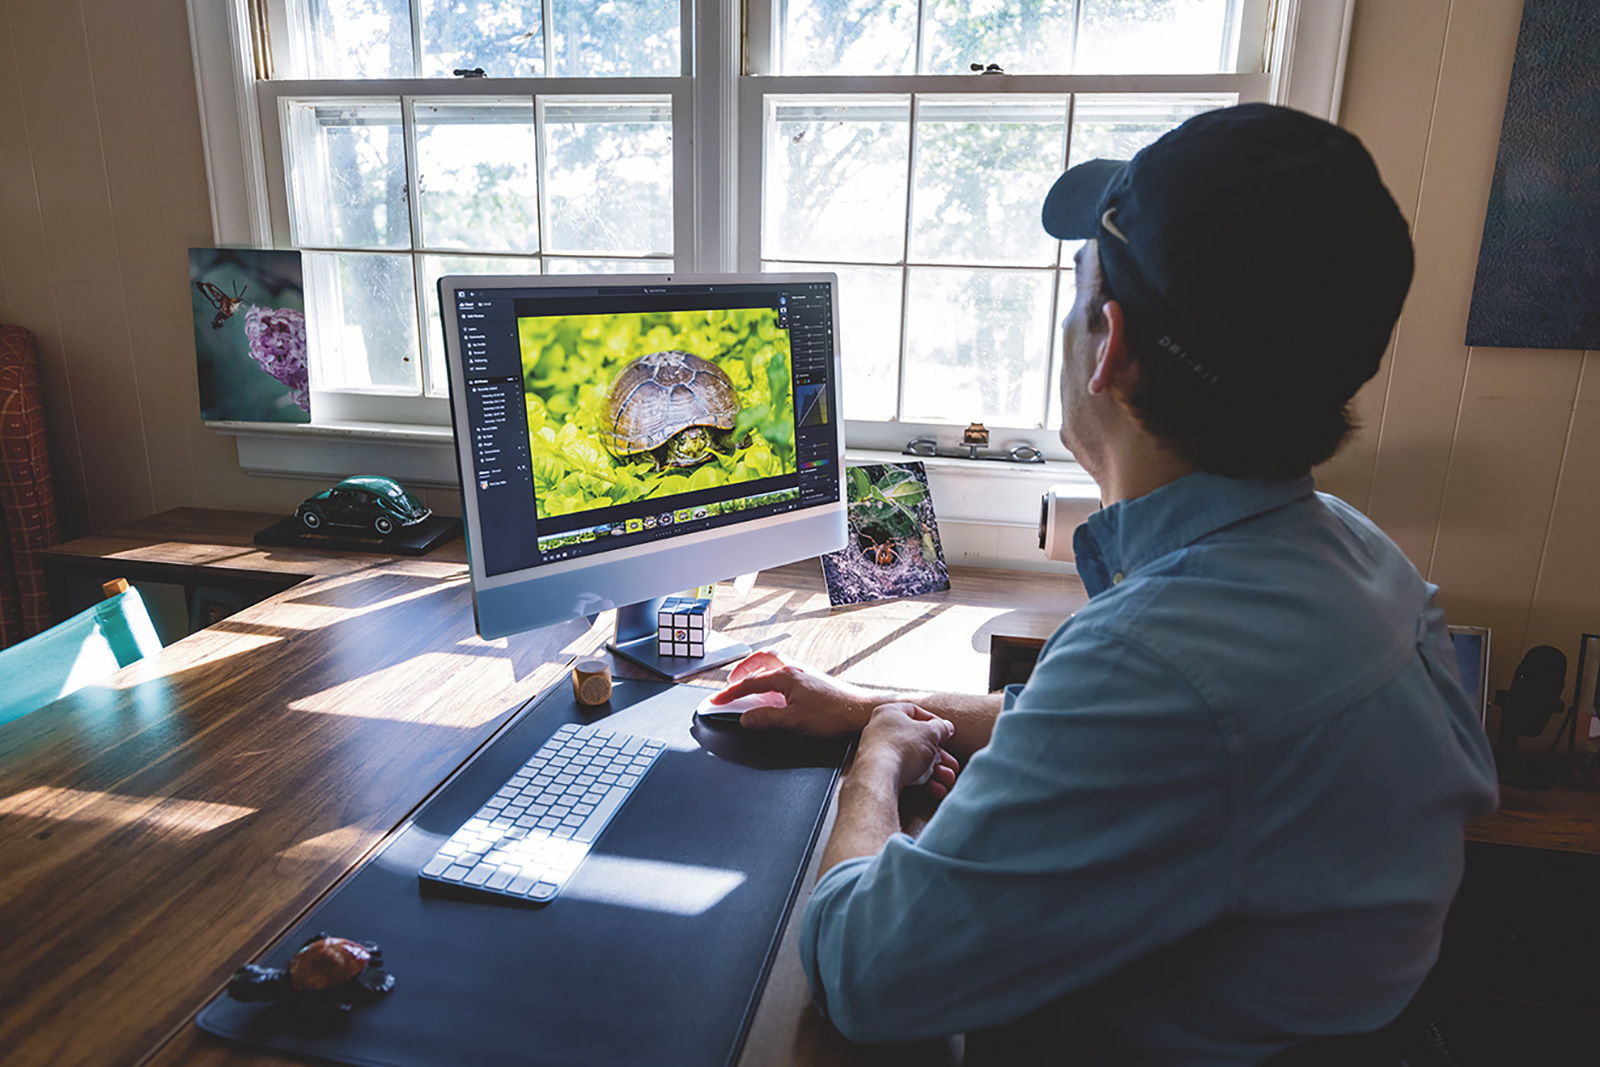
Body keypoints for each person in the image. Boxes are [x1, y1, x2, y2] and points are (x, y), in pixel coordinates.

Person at [708, 103, 1499, 1063]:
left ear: (1109, 345)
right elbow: (1115, 736)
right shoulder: (1355, 555)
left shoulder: (1162, 656)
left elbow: (861, 971)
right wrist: (869, 699)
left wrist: (876, 758)